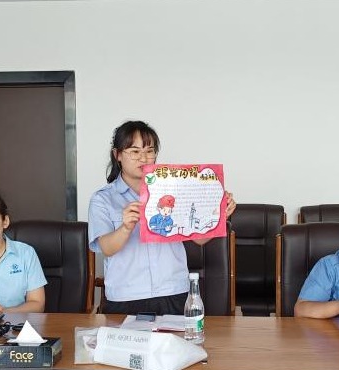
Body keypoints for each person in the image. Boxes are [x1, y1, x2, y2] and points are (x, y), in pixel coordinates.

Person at [89, 120, 235, 315]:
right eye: (134, 151)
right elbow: (106, 248)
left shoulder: (174, 191)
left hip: (174, 291)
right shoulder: (103, 199)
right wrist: (125, 228)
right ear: (118, 155)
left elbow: (199, 239)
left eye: (149, 151)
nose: (143, 158)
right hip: (126, 296)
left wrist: (219, 215)